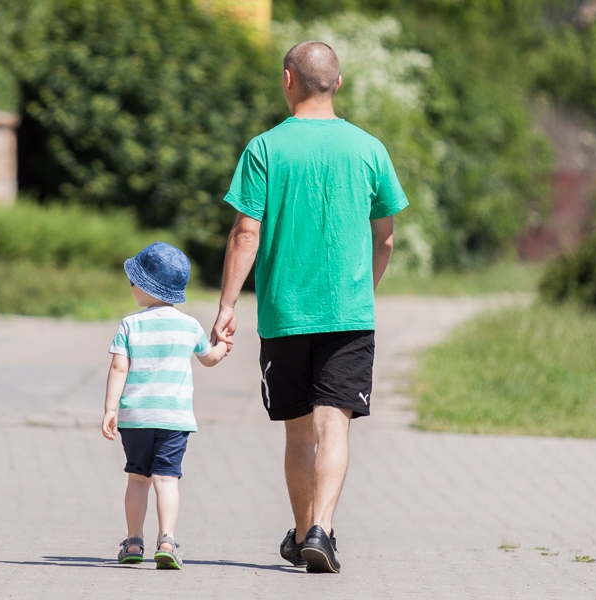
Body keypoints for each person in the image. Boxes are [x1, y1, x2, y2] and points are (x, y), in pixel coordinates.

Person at [211, 41, 408, 574]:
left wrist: (227, 305)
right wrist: (363, 289)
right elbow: (386, 238)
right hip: (349, 314)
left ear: (287, 79)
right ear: (338, 84)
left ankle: (303, 536)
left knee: (298, 429)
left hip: (285, 313)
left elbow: (245, 233)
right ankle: (321, 530)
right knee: (334, 425)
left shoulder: (264, 148)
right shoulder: (369, 149)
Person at [103, 241, 228, 570]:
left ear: (145, 287)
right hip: (174, 418)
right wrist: (223, 344)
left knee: (137, 479)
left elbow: (118, 368)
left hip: (136, 418)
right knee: (167, 480)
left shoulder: (130, 324)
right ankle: (167, 541)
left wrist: (110, 409)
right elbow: (210, 358)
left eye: (133, 281)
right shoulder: (190, 325)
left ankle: (133, 542)